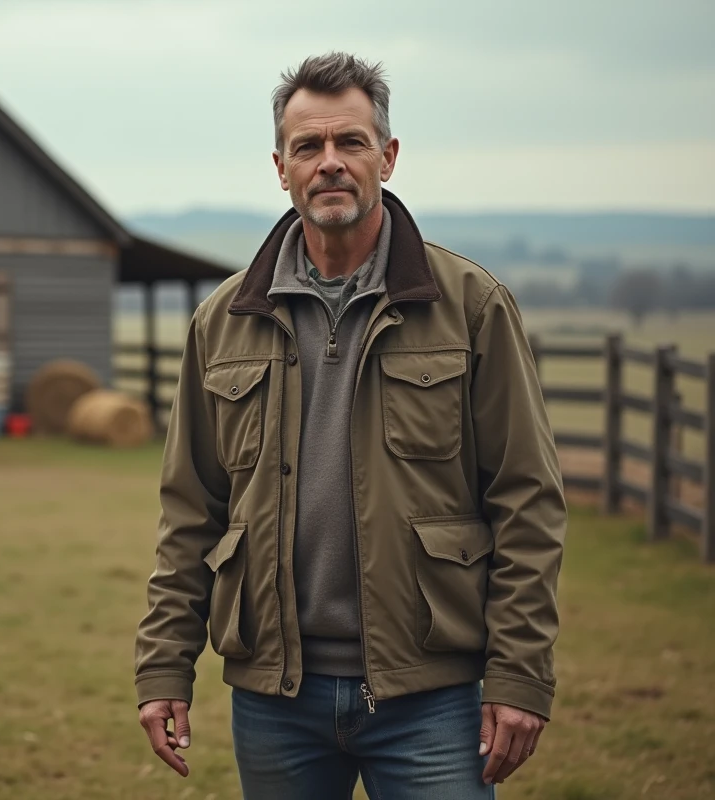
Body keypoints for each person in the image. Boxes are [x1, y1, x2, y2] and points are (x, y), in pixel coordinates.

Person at [133, 52, 566, 798]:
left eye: (351, 143)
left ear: (388, 157)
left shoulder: (471, 306)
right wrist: (164, 664)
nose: (330, 163)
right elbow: (190, 513)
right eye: (309, 146)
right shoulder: (224, 321)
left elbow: (527, 501)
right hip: (275, 700)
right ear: (281, 166)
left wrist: (521, 675)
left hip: (432, 695)